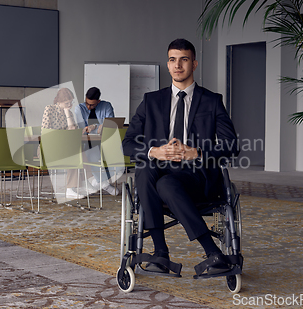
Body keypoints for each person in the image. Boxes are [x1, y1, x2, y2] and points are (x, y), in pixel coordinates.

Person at [122, 39, 239, 276]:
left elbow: (232, 145)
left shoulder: (211, 101)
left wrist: (197, 152)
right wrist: (154, 151)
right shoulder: (151, 101)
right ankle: (166, 252)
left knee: (163, 181)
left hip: (197, 176)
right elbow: (127, 142)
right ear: (167, 65)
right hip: (159, 172)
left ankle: (192, 251)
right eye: (173, 60)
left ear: (193, 64)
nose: (178, 65)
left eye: (184, 59)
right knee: (148, 170)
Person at [41, 88, 98, 199]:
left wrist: (67, 112)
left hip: (65, 147)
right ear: (59, 101)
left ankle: (77, 186)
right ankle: (85, 182)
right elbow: (45, 132)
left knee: (75, 150)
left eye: (71, 102)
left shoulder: (69, 112)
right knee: (74, 151)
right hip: (48, 147)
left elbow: (72, 130)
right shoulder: (49, 109)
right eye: (67, 103)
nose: (70, 105)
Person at [76, 87, 122, 195]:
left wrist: (101, 127)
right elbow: (81, 130)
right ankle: (103, 183)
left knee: (117, 154)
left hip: (105, 141)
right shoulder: (79, 108)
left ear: (98, 101)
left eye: (92, 105)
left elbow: (111, 125)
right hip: (87, 142)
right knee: (92, 152)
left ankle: (99, 181)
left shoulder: (106, 106)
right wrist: (97, 126)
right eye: (87, 103)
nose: (88, 107)